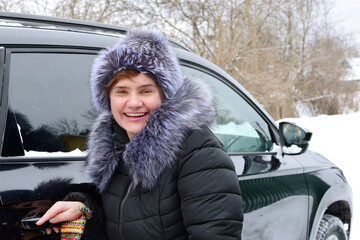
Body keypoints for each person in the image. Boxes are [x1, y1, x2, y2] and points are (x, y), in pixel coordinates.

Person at [37, 29, 243, 239]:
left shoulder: (199, 153)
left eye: (146, 91)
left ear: (165, 95)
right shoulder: (114, 148)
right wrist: (85, 210)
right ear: (108, 98)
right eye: (122, 91)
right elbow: (122, 224)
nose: (134, 103)